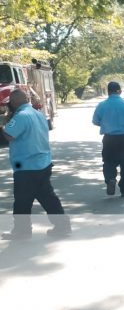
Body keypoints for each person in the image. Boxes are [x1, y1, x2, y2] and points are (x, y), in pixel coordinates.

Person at [1, 89, 70, 239]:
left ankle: (22, 231)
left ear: (13, 103)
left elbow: (8, 135)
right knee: (47, 197)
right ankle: (63, 226)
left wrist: (4, 122)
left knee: (22, 200)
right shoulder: (37, 114)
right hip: (43, 163)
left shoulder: (20, 116)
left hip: (26, 166)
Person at [92, 81, 124, 197]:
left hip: (109, 140)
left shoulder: (101, 105)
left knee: (109, 163)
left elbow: (95, 121)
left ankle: (110, 178)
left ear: (108, 92)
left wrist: (107, 123)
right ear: (119, 91)